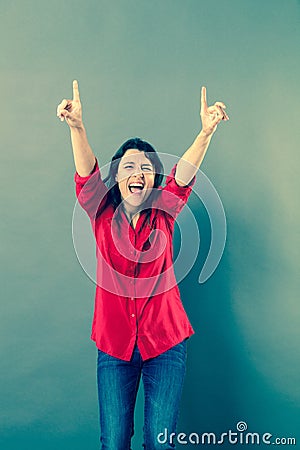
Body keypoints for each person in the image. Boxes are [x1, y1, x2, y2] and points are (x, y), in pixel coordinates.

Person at [57, 80, 228, 449]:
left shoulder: (164, 212)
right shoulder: (101, 212)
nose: (137, 172)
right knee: (114, 441)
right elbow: (86, 175)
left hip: (165, 345)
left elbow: (183, 175)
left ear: (152, 179)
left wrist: (205, 132)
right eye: (128, 166)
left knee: (159, 443)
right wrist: (78, 128)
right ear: (116, 178)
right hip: (114, 346)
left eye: (146, 167)